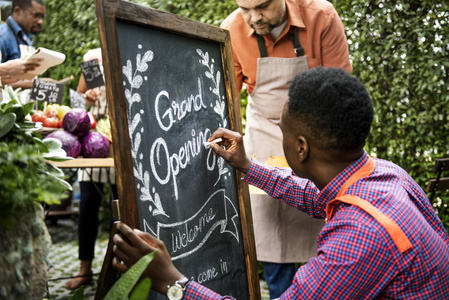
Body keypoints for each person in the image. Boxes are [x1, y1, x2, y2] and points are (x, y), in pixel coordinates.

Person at [112, 67, 449, 299]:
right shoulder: (385, 175)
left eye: (282, 132)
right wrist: (247, 165)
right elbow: (313, 195)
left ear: (300, 147)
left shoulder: (360, 236)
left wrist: (171, 281)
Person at [220, 0, 352, 297]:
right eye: (244, 8)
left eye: (262, 6)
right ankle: (282, 293)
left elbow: (340, 87)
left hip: (316, 132)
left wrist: (325, 145)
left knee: (325, 215)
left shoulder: (321, 15)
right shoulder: (230, 30)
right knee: (270, 225)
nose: (253, 18)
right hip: (264, 133)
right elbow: (224, 98)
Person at [65, 48, 117, 290]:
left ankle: (116, 269)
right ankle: (85, 270)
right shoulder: (91, 59)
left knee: (120, 211)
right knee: (87, 207)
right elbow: (75, 102)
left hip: (120, 145)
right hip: (92, 142)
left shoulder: (128, 50)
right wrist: (87, 99)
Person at [0, 0, 47, 90]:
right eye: (36, 15)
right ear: (18, 11)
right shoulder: (2, 37)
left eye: (42, 17)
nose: (40, 21)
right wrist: (32, 84)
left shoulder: (27, 37)